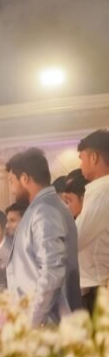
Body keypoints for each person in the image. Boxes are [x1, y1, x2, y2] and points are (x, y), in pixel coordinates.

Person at [5, 148, 82, 326]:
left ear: (25, 178)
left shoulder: (44, 211)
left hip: (49, 326)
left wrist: (33, 321)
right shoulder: (43, 207)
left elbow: (52, 272)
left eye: (11, 181)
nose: (12, 189)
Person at [76, 129, 109, 311]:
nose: (80, 164)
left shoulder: (101, 192)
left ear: (94, 158)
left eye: (82, 158)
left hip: (99, 288)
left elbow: (76, 238)